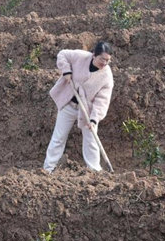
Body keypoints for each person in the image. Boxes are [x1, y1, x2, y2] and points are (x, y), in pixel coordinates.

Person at [43, 42, 115, 173]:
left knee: (91, 139)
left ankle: (94, 170)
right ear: (94, 55)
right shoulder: (81, 57)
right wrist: (66, 71)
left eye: (108, 60)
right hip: (69, 104)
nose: (104, 63)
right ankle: (48, 169)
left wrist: (94, 119)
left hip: (88, 111)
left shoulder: (107, 76)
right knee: (59, 137)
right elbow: (62, 54)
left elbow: (102, 100)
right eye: (102, 59)